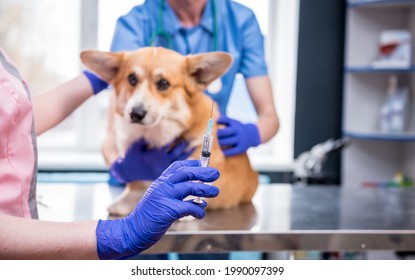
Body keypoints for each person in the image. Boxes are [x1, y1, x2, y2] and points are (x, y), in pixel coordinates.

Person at [0, 47, 220, 260]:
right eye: (132, 80)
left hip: (21, 230)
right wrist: (115, 236)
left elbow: (16, 120)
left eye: (161, 83)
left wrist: (88, 81)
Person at [103, 0, 280, 184]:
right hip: (136, 173)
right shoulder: (137, 21)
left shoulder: (240, 20)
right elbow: (111, 136)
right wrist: (122, 168)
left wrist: (252, 133)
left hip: (202, 154)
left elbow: (270, 119)